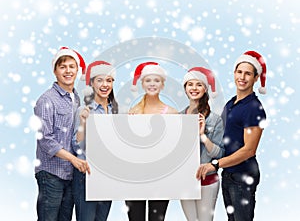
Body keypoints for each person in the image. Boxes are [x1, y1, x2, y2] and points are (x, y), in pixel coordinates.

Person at [196, 51, 267, 221]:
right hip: (228, 173)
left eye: (248, 73)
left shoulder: (253, 108)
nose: (242, 77)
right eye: (239, 72)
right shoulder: (231, 103)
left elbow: (249, 150)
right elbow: (222, 135)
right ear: (234, 74)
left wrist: (216, 164)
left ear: (256, 78)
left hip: (243, 176)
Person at [34, 47, 90, 221]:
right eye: (63, 67)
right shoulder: (46, 100)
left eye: (72, 66)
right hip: (51, 174)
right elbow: (45, 139)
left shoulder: (76, 99)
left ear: (77, 70)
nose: (68, 71)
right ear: (55, 71)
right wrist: (73, 159)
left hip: (70, 174)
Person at [125, 62, 178, 221]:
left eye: (156, 80)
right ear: (142, 84)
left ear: (162, 85)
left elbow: (175, 146)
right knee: (135, 218)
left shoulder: (172, 113)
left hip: (161, 176)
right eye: (148, 80)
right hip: (136, 175)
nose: (152, 84)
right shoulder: (133, 112)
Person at [71, 60, 118, 221]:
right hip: (86, 174)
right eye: (100, 80)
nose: (105, 85)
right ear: (91, 83)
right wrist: (83, 123)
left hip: (107, 174)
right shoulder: (84, 110)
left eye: (109, 80)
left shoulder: (116, 112)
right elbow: (77, 147)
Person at [180, 67, 225, 221]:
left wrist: (202, 135)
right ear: (185, 88)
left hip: (208, 181)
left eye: (199, 84)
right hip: (185, 181)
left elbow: (219, 154)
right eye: (190, 84)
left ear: (205, 89)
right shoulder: (178, 117)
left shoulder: (215, 120)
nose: (194, 88)